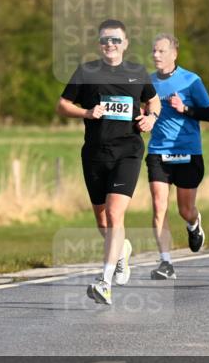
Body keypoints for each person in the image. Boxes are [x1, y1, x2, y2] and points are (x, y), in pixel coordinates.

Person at [57, 19, 161, 305]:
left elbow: (154, 101)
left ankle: (104, 281)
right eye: (105, 40)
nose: (110, 45)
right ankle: (122, 251)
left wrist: (151, 118)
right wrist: (87, 113)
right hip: (94, 153)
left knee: (115, 214)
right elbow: (62, 105)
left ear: (125, 44)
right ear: (99, 44)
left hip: (128, 150)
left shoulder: (137, 72)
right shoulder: (86, 71)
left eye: (116, 40)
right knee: (103, 221)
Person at [145, 33, 209, 280]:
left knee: (185, 209)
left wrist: (184, 108)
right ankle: (166, 263)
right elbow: (144, 109)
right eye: (154, 51)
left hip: (187, 151)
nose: (156, 55)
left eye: (161, 51)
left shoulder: (191, 81)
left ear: (174, 54)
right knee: (159, 206)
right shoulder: (148, 82)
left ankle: (194, 224)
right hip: (158, 152)